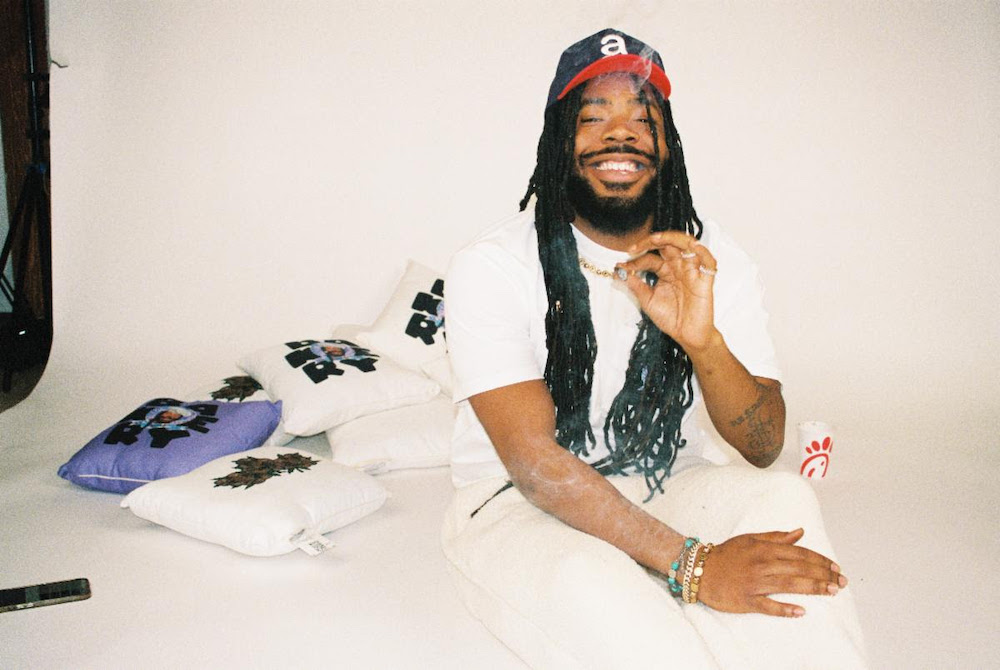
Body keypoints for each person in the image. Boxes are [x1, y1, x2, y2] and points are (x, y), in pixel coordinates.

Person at [442, 29, 867, 670]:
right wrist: (694, 565)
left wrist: (703, 341)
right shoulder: (492, 264)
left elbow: (761, 446)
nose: (622, 133)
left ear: (668, 146)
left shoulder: (709, 257)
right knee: (596, 586)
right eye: (593, 117)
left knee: (786, 500)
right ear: (559, 140)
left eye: (644, 119)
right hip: (516, 504)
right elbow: (532, 462)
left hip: (671, 481)